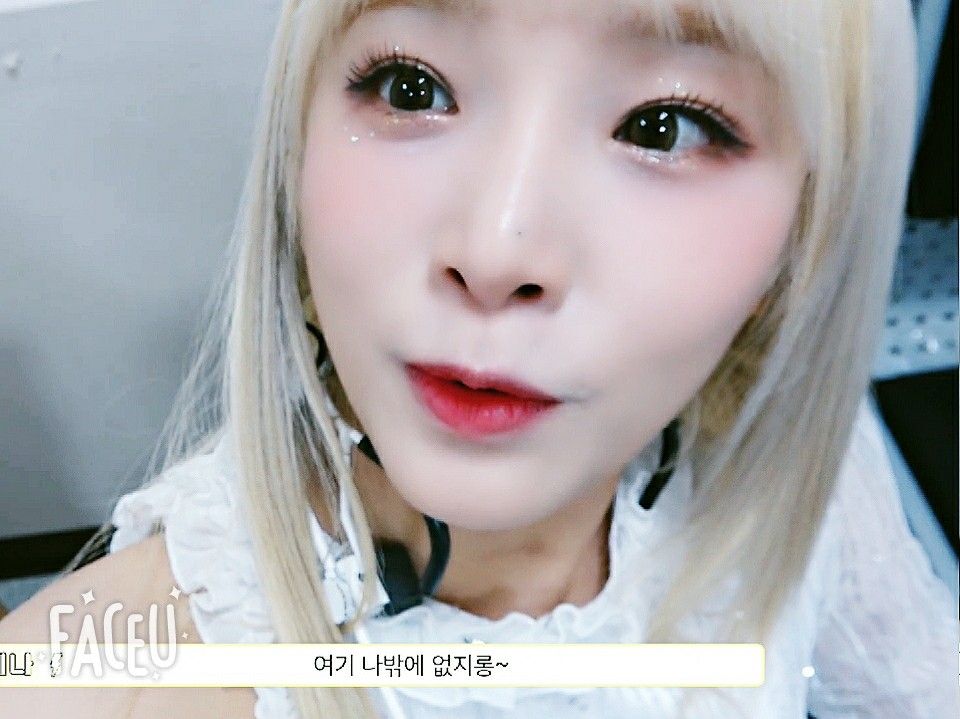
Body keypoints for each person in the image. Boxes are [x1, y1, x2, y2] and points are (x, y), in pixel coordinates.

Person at [2, 0, 957, 717]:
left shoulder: (804, 480)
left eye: (663, 127)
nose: (498, 253)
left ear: (809, 224)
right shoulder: (95, 679)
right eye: (411, 87)